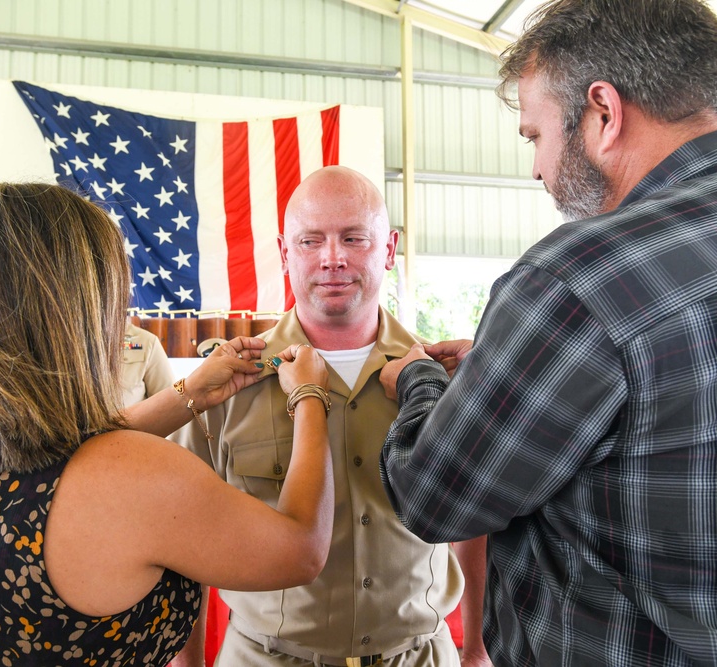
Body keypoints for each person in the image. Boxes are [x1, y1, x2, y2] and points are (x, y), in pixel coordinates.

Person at [378, 1, 717, 665]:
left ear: (603, 112)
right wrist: (503, 370)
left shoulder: (579, 278)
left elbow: (436, 496)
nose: (537, 169)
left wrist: (418, 380)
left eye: (534, 136)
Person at [0, 182, 334, 666]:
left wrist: (191, 393)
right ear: (76, 312)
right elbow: (301, 549)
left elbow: (59, 457)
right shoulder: (135, 478)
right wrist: (310, 396)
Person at [174, 165, 491, 667]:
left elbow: (472, 519)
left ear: (388, 249)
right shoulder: (225, 383)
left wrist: (475, 646)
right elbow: (184, 534)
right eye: (310, 241)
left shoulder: (443, 378)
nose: (333, 258)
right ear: (284, 253)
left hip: (420, 656)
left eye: (354, 238)